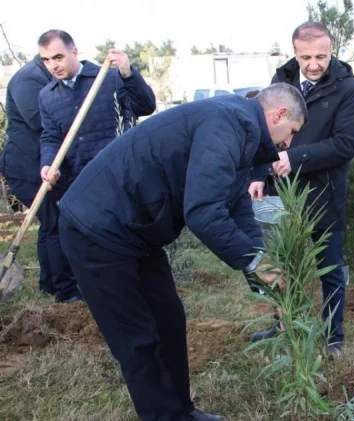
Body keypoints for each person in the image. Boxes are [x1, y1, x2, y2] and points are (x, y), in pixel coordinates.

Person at [54, 83, 306, 421]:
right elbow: (203, 213)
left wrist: (266, 278)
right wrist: (255, 262)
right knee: (137, 339)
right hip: (97, 229)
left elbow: (237, 207)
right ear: (279, 114)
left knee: (169, 321)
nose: (288, 143)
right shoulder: (228, 123)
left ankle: (182, 412)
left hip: (134, 230)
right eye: (292, 132)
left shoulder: (242, 133)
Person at [248, 22, 354, 357]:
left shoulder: (348, 89)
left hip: (323, 195)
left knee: (330, 270)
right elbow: (264, 130)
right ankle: (285, 325)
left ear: (331, 51)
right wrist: (258, 174)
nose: (313, 64)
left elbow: (346, 144)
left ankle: (333, 337)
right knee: (282, 264)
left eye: (321, 56)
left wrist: (295, 156)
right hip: (282, 192)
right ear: (295, 53)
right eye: (305, 57)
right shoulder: (281, 80)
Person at [37, 29, 156, 303]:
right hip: (81, 179)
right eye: (46, 60)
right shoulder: (47, 95)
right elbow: (51, 136)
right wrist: (48, 163)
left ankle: (141, 288)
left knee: (129, 235)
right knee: (95, 240)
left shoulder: (108, 78)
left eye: (58, 57)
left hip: (119, 176)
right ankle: (107, 292)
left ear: (74, 51)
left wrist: (128, 72)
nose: (53, 65)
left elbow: (146, 106)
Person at [0, 54, 54, 295]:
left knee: (53, 223)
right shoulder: (27, 80)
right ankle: (60, 286)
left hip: (39, 166)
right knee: (54, 222)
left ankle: (51, 284)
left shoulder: (46, 77)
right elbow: (40, 121)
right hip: (24, 168)